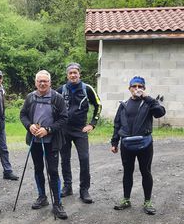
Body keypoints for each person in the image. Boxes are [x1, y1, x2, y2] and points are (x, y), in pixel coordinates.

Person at [111, 76, 166, 215]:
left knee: (145, 172)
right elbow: (117, 124)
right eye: (134, 86)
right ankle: (126, 200)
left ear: (144, 88)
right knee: (127, 172)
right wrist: (114, 142)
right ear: (129, 88)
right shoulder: (124, 104)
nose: (137, 89)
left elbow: (160, 113)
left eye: (140, 86)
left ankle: (147, 202)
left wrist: (147, 97)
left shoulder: (149, 103)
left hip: (145, 144)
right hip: (127, 144)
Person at [20, 70, 68, 219]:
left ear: (50, 83)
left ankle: (57, 203)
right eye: (39, 81)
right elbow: (23, 115)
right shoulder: (30, 97)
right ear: (35, 83)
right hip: (35, 141)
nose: (42, 83)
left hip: (51, 142)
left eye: (45, 81)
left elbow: (64, 118)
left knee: (53, 171)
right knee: (38, 169)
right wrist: (30, 126)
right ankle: (42, 197)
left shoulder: (57, 98)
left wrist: (48, 130)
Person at [56, 62, 102, 204]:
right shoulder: (61, 89)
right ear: (67, 75)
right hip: (64, 129)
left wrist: (92, 124)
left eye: (75, 72)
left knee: (84, 158)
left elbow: (98, 105)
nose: (73, 75)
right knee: (65, 159)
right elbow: (53, 108)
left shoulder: (87, 88)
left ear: (79, 74)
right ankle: (67, 187)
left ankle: (84, 190)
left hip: (80, 130)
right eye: (70, 73)